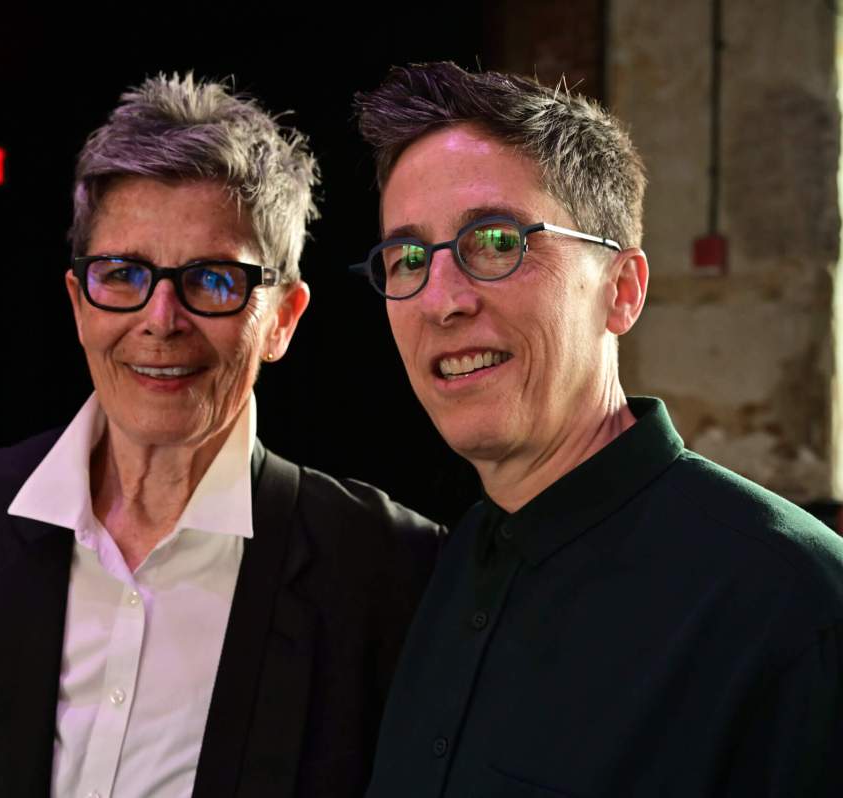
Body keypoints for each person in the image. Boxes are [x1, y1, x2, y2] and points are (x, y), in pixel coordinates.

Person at [0, 73, 441, 798]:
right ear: (79, 305)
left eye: (215, 280)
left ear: (284, 318)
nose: (161, 319)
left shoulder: (386, 569)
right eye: (123, 273)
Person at [350, 61, 843, 797]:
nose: (441, 301)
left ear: (622, 291)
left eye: (495, 242)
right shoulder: (443, 572)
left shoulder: (791, 598)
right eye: (409, 257)